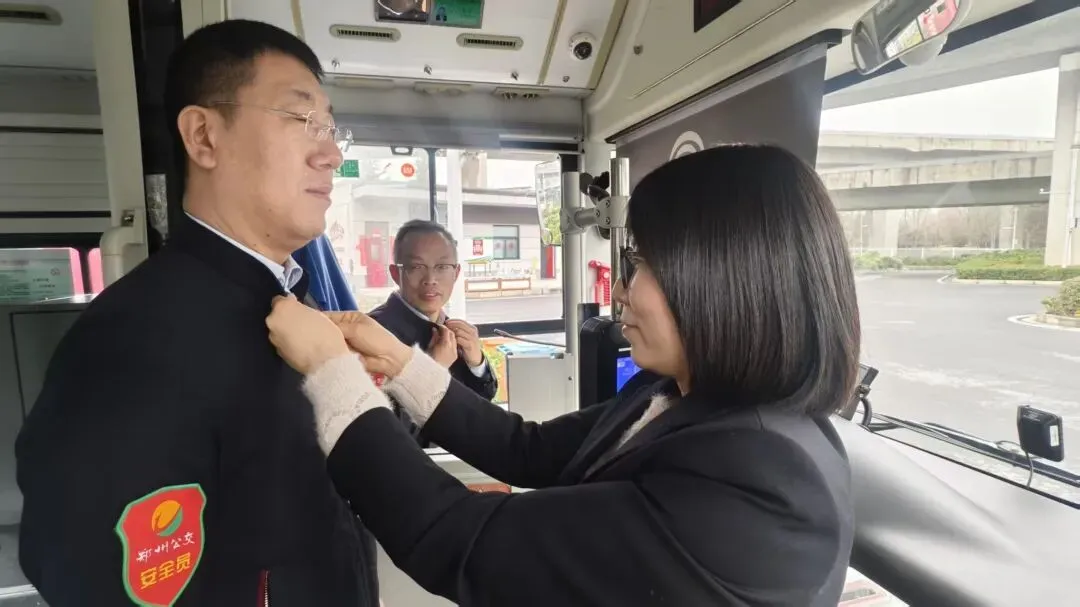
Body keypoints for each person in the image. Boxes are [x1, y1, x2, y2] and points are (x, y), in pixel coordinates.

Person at [266, 143, 860, 606]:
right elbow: (530, 448)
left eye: (640, 264)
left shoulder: (759, 485)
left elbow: (461, 541)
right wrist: (400, 364)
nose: (620, 292)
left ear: (724, 281)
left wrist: (332, 373)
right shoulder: (673, 393)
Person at [15, 20, 380, 607]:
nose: (331, 154)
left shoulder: (297, 309)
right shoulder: (132, 344)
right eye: (301, 118)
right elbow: (96, 575)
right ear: (204, 137)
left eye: (331, 127)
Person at [367, 220, 497, 444]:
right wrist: (429, 371)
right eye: (417, 267)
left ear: (456, 273)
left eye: (442, 267)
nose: (430, 280)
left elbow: (477, 411)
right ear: (395, 273)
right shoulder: (371, 334)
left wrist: (477, 365)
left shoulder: (452, 330)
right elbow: (380, 435)